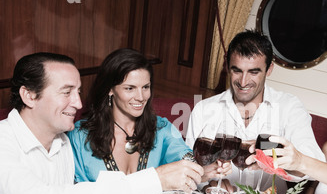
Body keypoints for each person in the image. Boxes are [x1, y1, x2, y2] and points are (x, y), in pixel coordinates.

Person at [0, 52, 204, 194]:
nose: (78, 103)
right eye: (66, 92)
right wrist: (156, 178)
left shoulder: (62, 144)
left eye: (78, 92)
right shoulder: (5, 144)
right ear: (29, 96)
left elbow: (97, 189)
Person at [186, 29, 325, 194]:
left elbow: (313, 165)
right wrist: (209, 185)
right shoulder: (204, 109)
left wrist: (279, 157)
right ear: (226, 65)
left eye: (253, 72)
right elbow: (189, 165)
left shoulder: (289, 107)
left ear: (269, 69)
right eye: (237, 70)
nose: (243, 82)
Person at [67, 48, 227, 183]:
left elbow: (183, 154)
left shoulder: (161, 128)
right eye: (130, 88)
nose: (141, 96)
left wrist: (202, 167)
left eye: (145, 87)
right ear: (110, 89)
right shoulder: (80, 137)